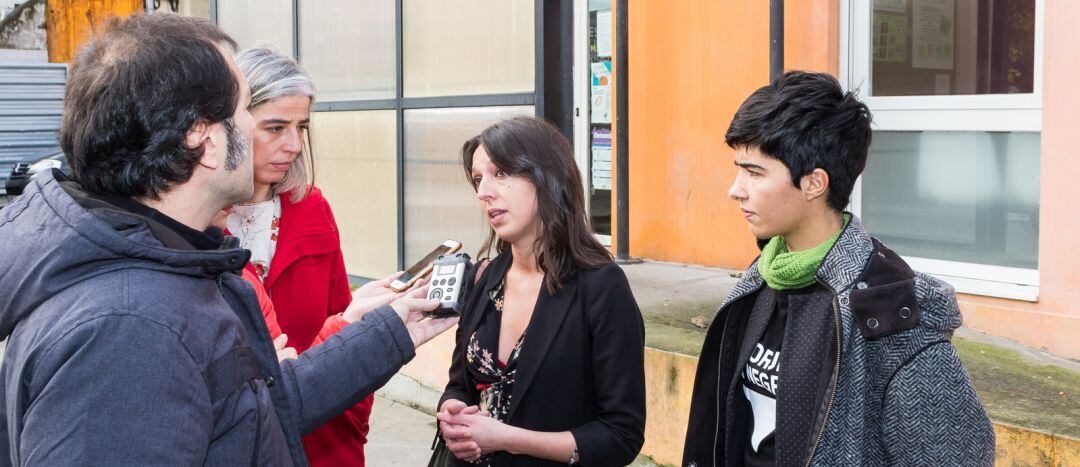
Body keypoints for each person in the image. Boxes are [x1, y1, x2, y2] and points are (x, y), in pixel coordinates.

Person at [0, 13, 455, 465]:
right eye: (245, 112)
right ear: (203, 137)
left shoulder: (167, 263)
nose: (290, 145)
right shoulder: (130, 329)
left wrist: (392, 328)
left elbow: (251, 418)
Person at [681, 71, 995, 466]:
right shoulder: (766, 276)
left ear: (814, 184)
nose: (735, 188)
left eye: (755, 172)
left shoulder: (890, 316)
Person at [435, 116, 646, 466]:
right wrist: (452, 411)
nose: (484, 192)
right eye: (478, 179)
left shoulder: (601, 287)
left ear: (546, 177)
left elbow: (621, 436)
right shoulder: (485, 277)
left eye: (500, 173)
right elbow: (459, 383)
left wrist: (509, 439)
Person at [227, 46, 380, 466]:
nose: (293, 145)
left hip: (324, 437)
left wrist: (351, 421)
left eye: (301, 127)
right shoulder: (199, 222)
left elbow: (344, 322)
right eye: (275, 127)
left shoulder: (313, 209)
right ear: (231, 124)